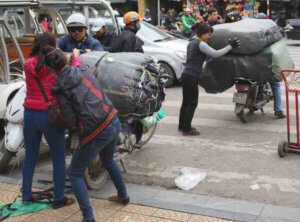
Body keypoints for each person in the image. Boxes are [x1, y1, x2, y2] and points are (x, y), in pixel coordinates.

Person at [43, 46, 129, 222]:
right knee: (108, 159)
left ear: (51, 70)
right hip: (113, 119)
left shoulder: (60, 88)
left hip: (96, 130)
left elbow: (69, 120)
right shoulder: (83, 69)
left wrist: (57, 116)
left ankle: (88, 218)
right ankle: (123, 196)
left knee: (75, 173)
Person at [22, 32, 75, 208]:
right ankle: (59, 197)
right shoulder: (56, 65)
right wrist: (74, 57)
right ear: (53, 46)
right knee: (58, 156)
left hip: (29, 114)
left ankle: (27, 195)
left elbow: (37, 66)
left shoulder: (27, 64)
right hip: (50, 115)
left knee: (30, 156)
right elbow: (74, 69)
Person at [179, 23, 240, 135]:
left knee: (186, 102)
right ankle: (187, 129)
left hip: (185, 75)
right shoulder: (201, 44)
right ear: (201, 33)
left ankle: (182, 126)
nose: (210, 36)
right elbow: (216, 54)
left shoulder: (191, 42)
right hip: (192, 76)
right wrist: (230, 46)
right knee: (192, 103)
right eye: (208, 34)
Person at [256, 12, 285, 118]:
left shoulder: (251, 31)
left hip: (253, 65)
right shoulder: (272, 32)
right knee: (276, 84)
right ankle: (278, 110)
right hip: (267, 64)